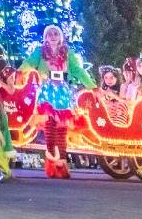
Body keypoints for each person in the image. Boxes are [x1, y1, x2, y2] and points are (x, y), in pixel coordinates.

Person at [23, 24, 94, 179]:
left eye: (56, 33)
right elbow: (28, 64)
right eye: (50, 34)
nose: (53, 36)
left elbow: (78, 71)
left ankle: (61, 163)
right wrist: (17, 74)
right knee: (50, 127)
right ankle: (51, 163)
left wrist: (93, 86)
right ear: (45, 37)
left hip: (63, 92)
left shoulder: (68, 53)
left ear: (61, 37)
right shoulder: (39, 52)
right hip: (46, 91)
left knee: (62, 129)